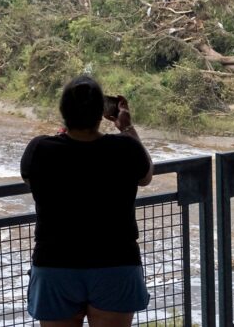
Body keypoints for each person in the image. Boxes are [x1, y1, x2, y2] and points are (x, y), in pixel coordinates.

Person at [21, 75, 153, 327]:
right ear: (101, 113)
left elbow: (31, 180)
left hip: (55, 264)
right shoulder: (124, 148)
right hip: (116, 262)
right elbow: (146, 176)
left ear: (63, 112)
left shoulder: (40, 149)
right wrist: (126, 127)